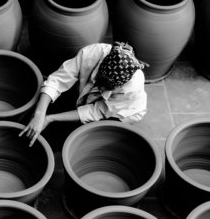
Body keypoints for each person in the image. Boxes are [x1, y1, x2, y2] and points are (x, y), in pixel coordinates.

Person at [20, 41, 148, 143]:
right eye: (100, 82)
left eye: (108, 88)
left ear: (120, 85)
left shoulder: (132, 87)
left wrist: (50, 118)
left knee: (77, 137)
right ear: (100, 68)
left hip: (118, 112)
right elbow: (57, 80)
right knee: (36, 113)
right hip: (86, 95)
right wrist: (39, 114)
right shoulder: (92, 54)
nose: (102, 89)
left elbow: (96, 111)